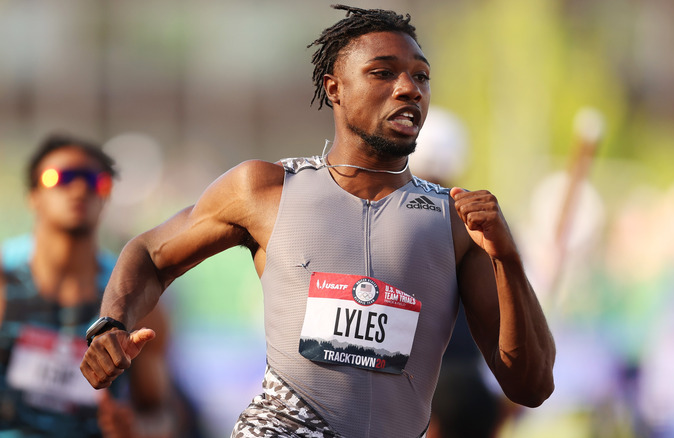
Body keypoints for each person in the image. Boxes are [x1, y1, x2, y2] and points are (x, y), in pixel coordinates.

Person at [79, 5, 556, 437]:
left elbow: (530, 386)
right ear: (335, 89)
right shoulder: (266, 189)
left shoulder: (455, 223)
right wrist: (109, 325)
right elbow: (150, 253)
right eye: (383, 73)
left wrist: (507, 259)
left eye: (421, 77)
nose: (409, 88)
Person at [0, 134, 178, 437]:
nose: (80, 188)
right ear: (33, 195)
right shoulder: (5, 282)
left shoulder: (136, 295)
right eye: (61, 177)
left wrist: (134, 430)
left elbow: (162, 417)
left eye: (96, 181)